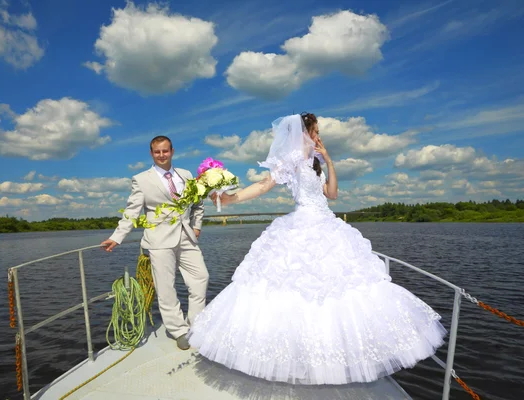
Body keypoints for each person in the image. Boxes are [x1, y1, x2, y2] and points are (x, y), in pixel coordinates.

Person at [187, 113, 447, 385]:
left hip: (327, 224)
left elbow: (332, 195)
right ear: (304, 132)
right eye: (315, 131)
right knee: (297, 289)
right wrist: (231, 199)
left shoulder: (315, 162)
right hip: (302, 225)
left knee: (339, 287)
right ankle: (298, 357)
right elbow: (264, 185)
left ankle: (327, 354)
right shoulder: (292, 160)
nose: (318, 135)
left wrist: (328, 160)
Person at [101, 135, 209, 351]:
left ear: (172, 151)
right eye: (157, 152)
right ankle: (179, 331)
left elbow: (198, 204)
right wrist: (117, 236)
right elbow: (131, 212)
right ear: (152, 153)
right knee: (166, 288)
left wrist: (196, 226)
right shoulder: (141, 179)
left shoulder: (186, 175)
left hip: (187, 236)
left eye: (165, 151)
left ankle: (196, 326)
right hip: (159, 240)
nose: (162, 155)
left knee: (201, 278)